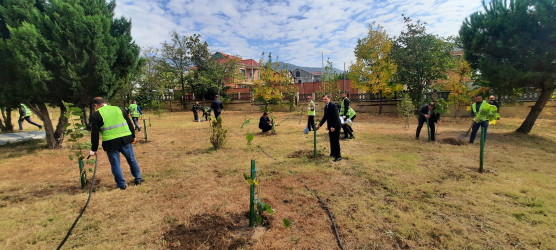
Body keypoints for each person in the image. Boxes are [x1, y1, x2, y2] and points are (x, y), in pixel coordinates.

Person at [89, 97, 142, 190]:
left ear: (95, 105)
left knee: (115, 164)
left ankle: (121, 185)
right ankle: (138, 179)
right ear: (105, 102)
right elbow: (129, 123)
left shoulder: (96, 115)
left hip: (110, 143)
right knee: (131, 159)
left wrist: (94, 149)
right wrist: (133, 136)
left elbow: (95, 134)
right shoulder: (119, 109)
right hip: (125, 139)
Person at [316, 94, 342, 162]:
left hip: (336, 126)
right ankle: (332, 154)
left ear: (329, 98)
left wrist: (333, 126)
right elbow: (325, 117)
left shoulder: (333, 106)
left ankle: (338, 156)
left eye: (325, 99)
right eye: (323, 99)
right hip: (330, 126)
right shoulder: (326, 107)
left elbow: (336, 117)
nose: (324, 101)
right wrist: (319, 125)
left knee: (335, 141)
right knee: (332, 140)